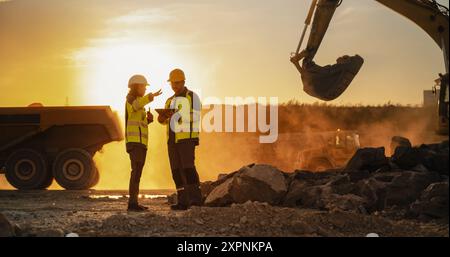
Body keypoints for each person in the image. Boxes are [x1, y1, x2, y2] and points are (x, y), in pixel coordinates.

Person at [158, 69, 202, 211]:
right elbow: (165, 122)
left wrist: (178, 115)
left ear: (183, 82)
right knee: (176, 172)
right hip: (172, 140)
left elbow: (195, 116)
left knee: (188, 169)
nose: (174, 86)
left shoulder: (192, 97)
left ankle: (195, 200)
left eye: (177, 83)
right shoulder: (169, 100)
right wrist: (162, 118)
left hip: (186, 139)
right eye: (172, 83)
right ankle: (182, 201)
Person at [125, 74, 162, 212]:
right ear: (136, 87)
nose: (145, 89)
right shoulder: (130, 99)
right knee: (135, 173)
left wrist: (149, 120)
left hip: (140, 143)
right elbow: (135, 106)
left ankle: (134, 202)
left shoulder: (140, 102)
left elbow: (139, 122)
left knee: (138, 172)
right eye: (143, 87)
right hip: (134, 143)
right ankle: (132, 204)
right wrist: (150, 97)